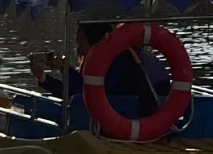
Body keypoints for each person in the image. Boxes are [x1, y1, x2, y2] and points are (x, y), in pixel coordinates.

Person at [30, 22, 169, 119]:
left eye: (81, 40)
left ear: (95, 41)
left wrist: (65, 68)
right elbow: (76, 93)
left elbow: (88, 94)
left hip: (131, 117)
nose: (78, 46)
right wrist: (42, 77)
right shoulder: (94, 64)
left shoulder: (119, 59)